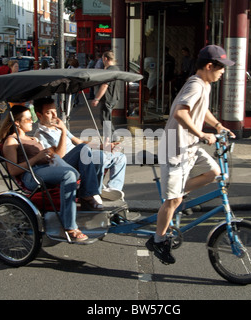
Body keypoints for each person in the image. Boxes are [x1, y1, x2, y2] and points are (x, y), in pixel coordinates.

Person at [145, 45, 235, 264]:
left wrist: (218, 126)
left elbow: (201, 110)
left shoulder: (205, 85)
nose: (223, 72)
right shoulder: (195, 84)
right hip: (175, 149)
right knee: (172, 201)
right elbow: (180, 112)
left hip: (189, 147)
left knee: (215, 172)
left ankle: (177, 191)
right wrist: (203, 133)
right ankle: (157, 240)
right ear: (208, 66)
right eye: (221, 68)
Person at [0, 105, 88, 242]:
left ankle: (90, 196)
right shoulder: (12, 140)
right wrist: (37, 158)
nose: (32, 121)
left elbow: (56, 155)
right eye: (27, 119)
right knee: (69, 174)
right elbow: (13, 170)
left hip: (47, 167)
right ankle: (69, 226)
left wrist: (59, 139)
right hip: (31, 175)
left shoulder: (33, 139)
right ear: (17, 123)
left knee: (84, 149)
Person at [33, 97, 127, 202]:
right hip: (68, 163)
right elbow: (58, 157)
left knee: (120, 157)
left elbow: (79, 142)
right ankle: (95, 191)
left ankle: (112, 189)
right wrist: (63, 131)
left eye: (55, 111)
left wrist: (103, 146)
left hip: (83, 156)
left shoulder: (57, 128)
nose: (55, 116)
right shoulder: (40, 135)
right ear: (39, 115)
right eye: (49, 113)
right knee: (97, 156)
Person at [90, 51, 122, 139]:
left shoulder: (109, 71)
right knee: (107, 118)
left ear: (105, 59)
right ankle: (113, 137)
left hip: (108, 98)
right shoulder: (116, 69)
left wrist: (96, 98)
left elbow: (104, 85)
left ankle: (111, 138)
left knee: (105, 119)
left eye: (102, 59)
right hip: (114, 97)